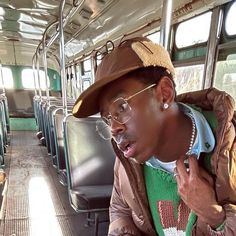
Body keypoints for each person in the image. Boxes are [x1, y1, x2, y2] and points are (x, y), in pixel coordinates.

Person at [72, 37, 236, 235]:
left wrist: (213, 215)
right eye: (107, 119)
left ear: (164, 94)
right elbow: (120, 210)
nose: (113, 128)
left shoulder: (230, 150)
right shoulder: (127, 161)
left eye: (122, 106)